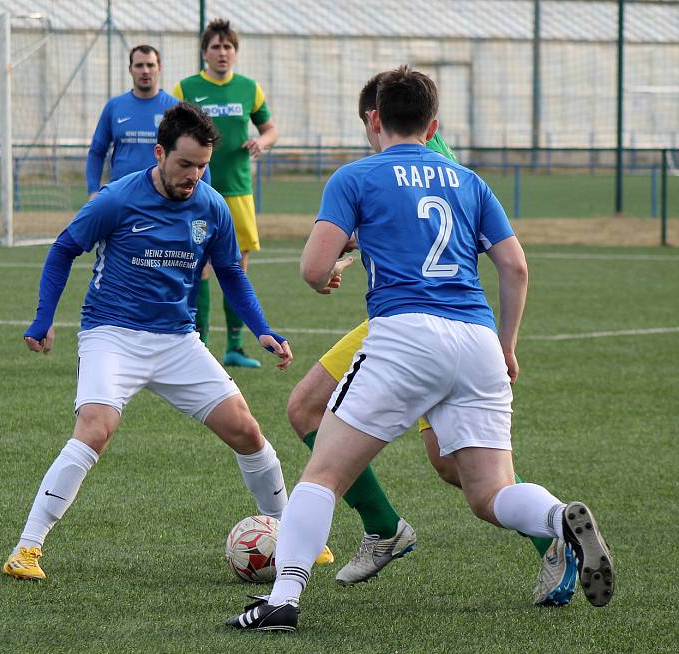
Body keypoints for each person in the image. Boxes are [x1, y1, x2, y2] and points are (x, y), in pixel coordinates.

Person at [227, 67, 615, 631]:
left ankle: (281, 600)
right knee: (489, 494)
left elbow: (312, 268)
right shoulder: (468, 180)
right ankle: (557, 517)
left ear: (375, 118)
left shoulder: (356, 177)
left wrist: (328, 271)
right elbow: (515, 266)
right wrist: (507, 346)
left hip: (406, 336)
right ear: (433, 125)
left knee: (324, 475)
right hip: (477, 340)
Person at [3, 103, 293, 581]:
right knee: (95, 427)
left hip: (177, 340)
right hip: (111, 334)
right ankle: (26, 549)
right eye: (185, 164)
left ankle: (292, 535)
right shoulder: (116, 199)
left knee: (246, 431)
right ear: (160, 153)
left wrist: (262, 327)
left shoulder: (212, 205)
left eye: (202, 166)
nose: (194, 175)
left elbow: (230, 274)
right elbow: (62, 250)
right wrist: (43, 319)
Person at [174, 18, 279, 368]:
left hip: (238, 192)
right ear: (205, 52)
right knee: (199, 266)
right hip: (198, 192)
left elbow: (270, 128)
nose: (222, 53)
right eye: (216, 47)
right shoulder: (185, 88)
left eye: (228, 47)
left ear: (235, 53)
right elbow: (170, 134)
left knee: (236, 267)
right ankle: (198, 343)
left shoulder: (249, 88)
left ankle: (235, 347)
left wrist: (261, 142)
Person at [85, 45, 210, 199]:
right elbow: (97, 152)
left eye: (150, 65)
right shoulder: (114, 107)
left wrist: (204, 196)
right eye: (139, 65)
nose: (145, 70)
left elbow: (198, 154)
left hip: (163, 197)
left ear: (159, 68)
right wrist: (92, 190)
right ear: (130, 69)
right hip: (121, 196)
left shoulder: (177, 108)